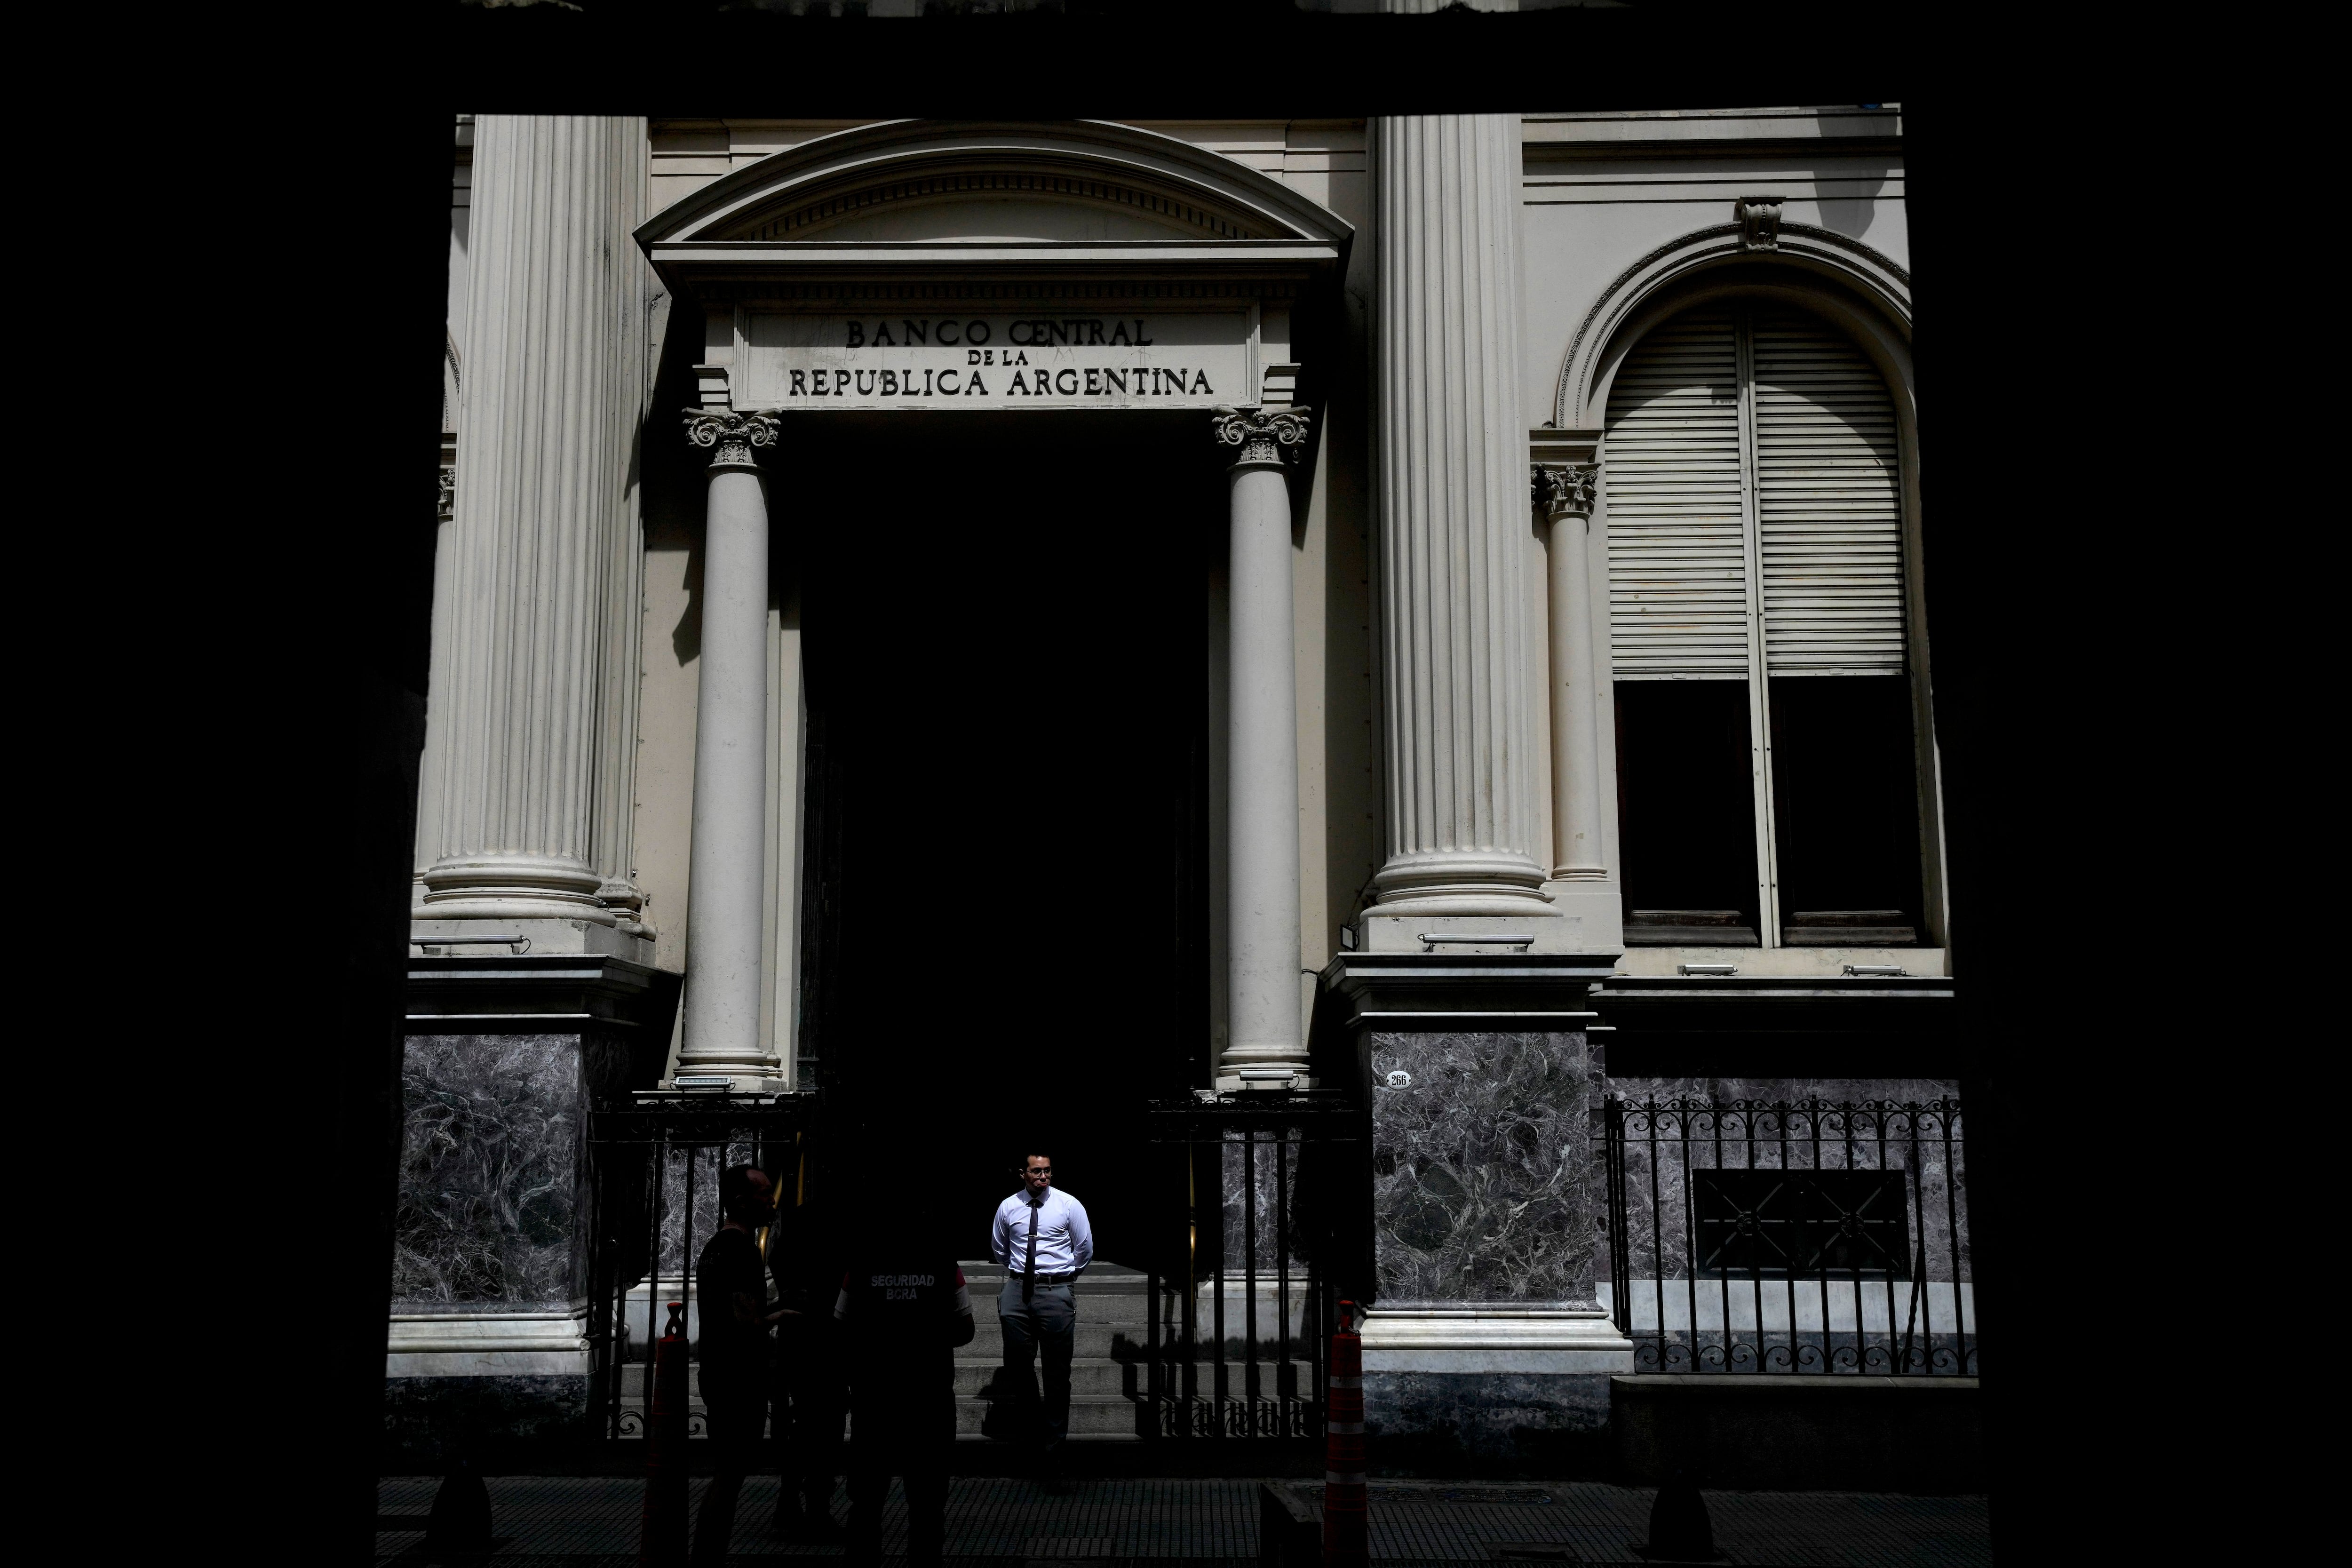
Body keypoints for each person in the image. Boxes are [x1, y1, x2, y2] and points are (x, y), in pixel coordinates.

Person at [834, 1197, 975, 1566]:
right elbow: (965, 1329)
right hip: (929, 1396)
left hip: (875, 1396)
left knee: (866, 1501)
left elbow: (842, 1324)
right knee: (928, 1504)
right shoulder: (943, 1262)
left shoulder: (862, 1263)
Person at [691, 1164, 795, 1564]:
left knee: (728, 1472)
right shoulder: (742, 1251)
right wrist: (780, 1315)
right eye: (764, 1193)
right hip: (736, 1378)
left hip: (720, 1373)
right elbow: (745, 1320)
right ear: (740, 1200)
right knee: (730, 1474)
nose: (772, 1200)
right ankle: (706, 1559)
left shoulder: (716, 1248)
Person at [989, 1153, 1092, 1478]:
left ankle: (1054, 1453)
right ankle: (1032, 1442)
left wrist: (1061, 1278)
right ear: (1023, 1173)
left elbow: (1084, 1248)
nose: (1043, 1176)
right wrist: (1020, 1277)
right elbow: (999, 1248)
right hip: (1018, 1289)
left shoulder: (1068, 1205)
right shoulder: (1008, 1206)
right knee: (1020, 1369)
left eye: (1047, 1171)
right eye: (1036, 1171)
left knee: (1057, 1374)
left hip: (1055, 1291)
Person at [768, 1181, 847, 1539]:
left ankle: (791, 1500)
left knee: (803, 1422)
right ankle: (816, 1505)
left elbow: (777, 1258)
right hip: (825, 1333)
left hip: (799, 1332)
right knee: (825, 1423)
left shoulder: (800, 1221)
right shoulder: (843, 1225)